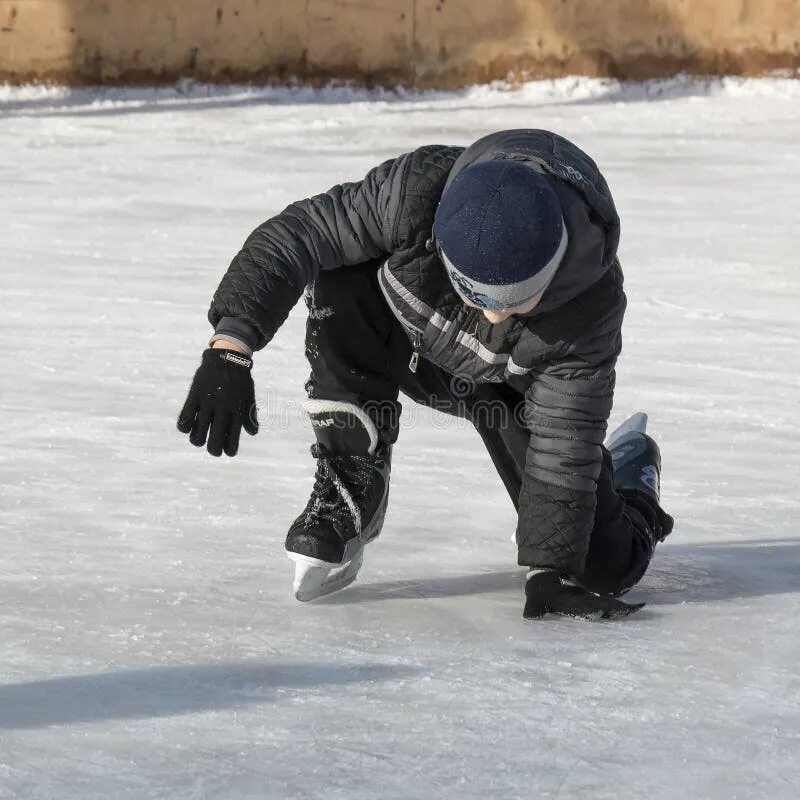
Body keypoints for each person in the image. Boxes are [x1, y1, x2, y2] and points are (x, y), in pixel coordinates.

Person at [177, 129, 674, 620]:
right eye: (477, 295)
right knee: (343, 268)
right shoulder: (415, 194)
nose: (496, 317)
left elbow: (563, 439)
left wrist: (549, 570)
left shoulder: (590, 305)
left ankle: (632, 469)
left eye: (517, 301)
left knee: (607, 565)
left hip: (514, 393)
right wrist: (231, 347)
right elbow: (297, 234)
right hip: (411, 343)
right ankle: (352, 479)